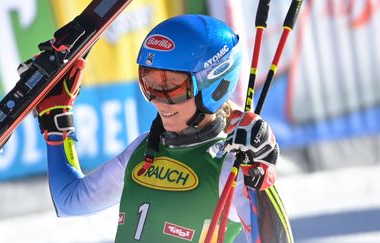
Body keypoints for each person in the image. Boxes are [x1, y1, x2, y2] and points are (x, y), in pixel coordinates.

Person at [35, 14, 279, 243]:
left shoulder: (229, 167)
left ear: (214, 85)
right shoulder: (141, 150)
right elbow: (69, 201)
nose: (159, 100)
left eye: (172, 86)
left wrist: (260, 173)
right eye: (150, 83)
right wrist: (57, 121)